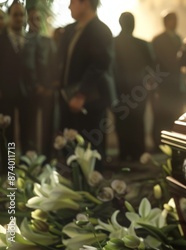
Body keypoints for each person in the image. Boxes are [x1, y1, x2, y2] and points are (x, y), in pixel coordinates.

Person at [58, 0, 116, 164]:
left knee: (91, 149)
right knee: (71, 148)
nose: (69, 6)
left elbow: (99, 65)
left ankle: (90, 186)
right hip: (68, 97)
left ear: (85, 4)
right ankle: (74, 185)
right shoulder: (72, 29)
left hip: (89, 100)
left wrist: (81, 94)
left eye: (72, 2)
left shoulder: (100, 30)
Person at [113, 12, 154, 162]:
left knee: (122, 122)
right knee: (137, 122)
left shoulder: (113, 43)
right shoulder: (143, 44)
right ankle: (138, 153)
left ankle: (124, 152)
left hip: (119, 90)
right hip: (139, 91)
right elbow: (152, 67)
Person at [0, 1, 38, 154]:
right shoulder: (1, 40)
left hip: (28, 93)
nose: (19, 18)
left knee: (28, 132)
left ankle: (27, 168)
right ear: (9, 17)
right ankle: (8, 170)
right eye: (15, 15)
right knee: (7, 133)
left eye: (22, 15)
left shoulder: (32, 40)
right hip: (5, 93)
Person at [27, 6, 58, 158]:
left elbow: (54, 64)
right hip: (30, 91)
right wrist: (35, 85)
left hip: (48, 90)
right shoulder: (24, 40)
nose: (35, 22)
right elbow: (27, 66)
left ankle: (46, 157)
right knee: (30, 127)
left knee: (48, 125)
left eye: (38, 19)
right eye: (32, 19)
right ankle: (30, 158)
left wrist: (51, 86)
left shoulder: (48, 41)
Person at [151, 11, 184, 148]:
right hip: (163, 84)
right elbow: (154, 62)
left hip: (176, 84)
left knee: (175, 114)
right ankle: (159, 142)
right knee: (161, 115)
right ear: (166, 22)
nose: (176, 23)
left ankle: (173, 141)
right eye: (173, 20)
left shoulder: (178, 38)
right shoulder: (158, 40)